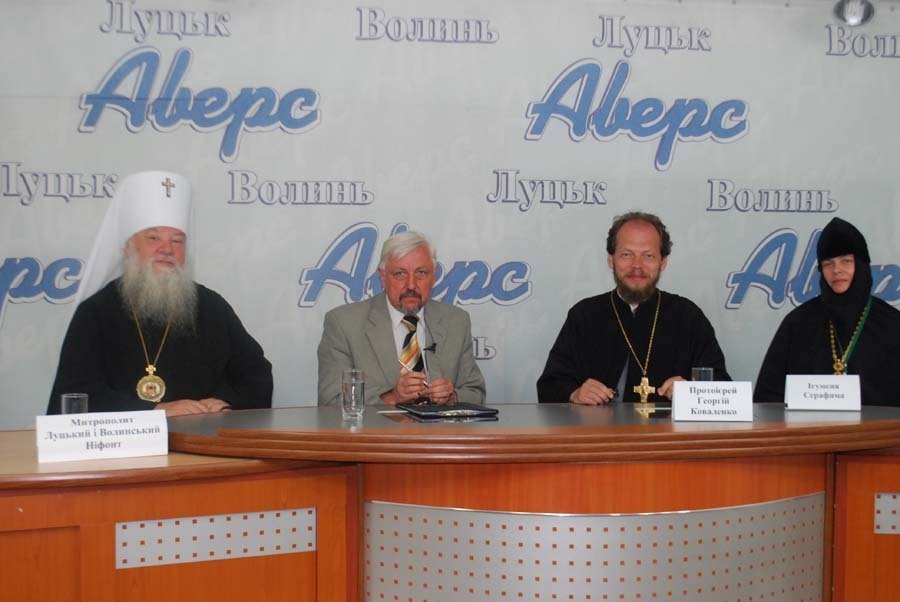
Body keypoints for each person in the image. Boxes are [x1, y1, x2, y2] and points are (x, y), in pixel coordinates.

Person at [48, 171, 273, 416]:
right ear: (128, 248)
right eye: (153, 238)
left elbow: (256, 375)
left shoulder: (212, 307)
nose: (167, 249)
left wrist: (227, 402)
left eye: (177, 241)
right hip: (125, 440)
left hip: (202, 437)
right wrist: (152, 411)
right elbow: (76, 394)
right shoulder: (95, 312)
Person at [537, 211, 730, 404]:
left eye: (648, 256)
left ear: (663, 262)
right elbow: (550, 385)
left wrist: (691, 391)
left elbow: (722, 389)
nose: (637, 266)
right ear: (611, 260)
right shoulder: (584, 315)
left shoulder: (688, 317)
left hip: (665, 425)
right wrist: (575, 393)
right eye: (627, 254)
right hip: (598, 425)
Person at [317, 231, 485, 406]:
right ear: (382, 277)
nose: (411, 285)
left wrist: (453, 397)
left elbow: (477, 393)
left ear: (433, 277)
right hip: (378, 425)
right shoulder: (344, 323)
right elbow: (331, 400)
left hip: (439, 424)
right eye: (400, 274)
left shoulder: (456, 321)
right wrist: (392, 398)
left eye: (421, 273)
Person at [754, 217, 900, 405]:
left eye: (846, 261)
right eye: (828, 264)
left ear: (862, 265)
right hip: (809, 425)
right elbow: (767, 399)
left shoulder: (892, 325)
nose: (836, 270)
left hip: (881, 426)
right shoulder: (797, 323)